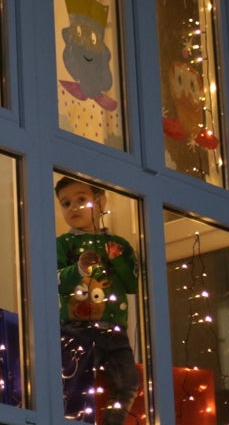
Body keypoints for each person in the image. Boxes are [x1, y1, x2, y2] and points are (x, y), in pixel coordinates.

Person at [55, 176, 140, 425]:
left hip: (115, 331)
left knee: (128, 383)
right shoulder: (64, 244)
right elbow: (55, 280)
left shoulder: (118, 245)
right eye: (66, 203)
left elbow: (132, 283)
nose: (73, 208)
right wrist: (78, 270)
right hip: (76, 329)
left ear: (101, 202)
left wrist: (118, 260)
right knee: (76, 381)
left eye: (81, 200)